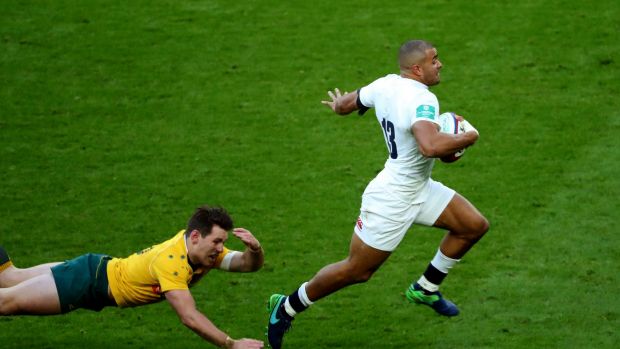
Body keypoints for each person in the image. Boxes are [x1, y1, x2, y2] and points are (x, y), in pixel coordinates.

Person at [266, 39, 489, 348]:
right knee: (357, 270)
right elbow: (431, 147)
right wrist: (468, 137)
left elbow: (348, 104)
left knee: (473, 226)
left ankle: (425, 287)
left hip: (419, 187)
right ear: (416, 68)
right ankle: (288, 306)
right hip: (392, 198)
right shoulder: (424, 101)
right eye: (434, 60)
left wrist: (337, 104)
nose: (439, 64)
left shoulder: (385, 84)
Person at [0, 205, 265, 349]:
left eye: (223, 243)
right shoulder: (171, 263)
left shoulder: (202, 252)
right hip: (85, 283)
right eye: (217, 242)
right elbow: (189, 317)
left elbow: (246, 264)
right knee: (5, 303)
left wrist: (255, 249)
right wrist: (231, 344)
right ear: (196, 236)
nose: (221, 249)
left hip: (94, 270)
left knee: (10, 276)